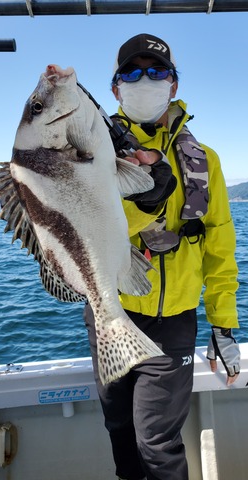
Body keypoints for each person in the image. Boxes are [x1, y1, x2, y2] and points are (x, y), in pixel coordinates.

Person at [84, 33, 241, 480]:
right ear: (115, 88)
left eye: (157, 72)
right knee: (119, 431)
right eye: (131, 73)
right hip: (110, 314)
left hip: (173, 322)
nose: (144, 80)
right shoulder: (93, 154)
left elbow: (220, 247)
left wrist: (224, 325)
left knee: (156, 440)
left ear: (173, 85)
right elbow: (92, 228)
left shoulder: (204, 160)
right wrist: (147, 197)